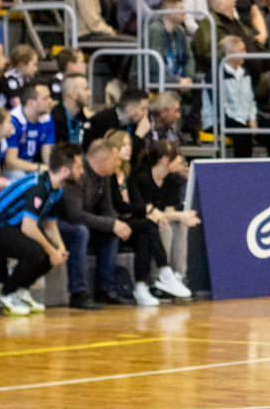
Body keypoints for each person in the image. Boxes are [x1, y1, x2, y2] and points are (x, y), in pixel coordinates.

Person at [103, 131, 193, 305]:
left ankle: (144, 285)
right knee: (151, 225)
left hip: (131, 220)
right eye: (124, 145)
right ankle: (162, 275)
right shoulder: (111, 175)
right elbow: (119, 205)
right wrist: (149, 209)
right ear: (113, 149)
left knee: (147, 230)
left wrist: (148, 210)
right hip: (113, 220)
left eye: (130, 144)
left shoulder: (127, 174)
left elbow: (137, 203)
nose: (129, 148)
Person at [0, 142, 83, 315]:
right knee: (37, 250)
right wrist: (51, 250)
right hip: (3, 226)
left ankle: (21, 291)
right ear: (65, 171)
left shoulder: (57, 190)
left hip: (10, 229)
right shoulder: (39, 186)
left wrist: (60, 248)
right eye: (78, 167)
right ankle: (7, 294)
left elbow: (49, 224)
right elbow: (28, 227)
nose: (82, 171)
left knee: (50, 254)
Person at [57, 138, 132, 309]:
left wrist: (115, 224)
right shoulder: (77, 172)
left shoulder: (104, 175)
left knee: (112, 229)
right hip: (61, 223)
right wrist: (111, 224)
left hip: (84, 222)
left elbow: (107, 208)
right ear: (103, 159)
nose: (118, 164)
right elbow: (75, 215)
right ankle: (77, 293)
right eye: (115, 160)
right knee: (81, 231)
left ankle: (105, 289)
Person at [129, 139, 199, 281]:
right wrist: (180, 215)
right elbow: (150, 213)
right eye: (176, 156)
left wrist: (181, 217)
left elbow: (169, 212)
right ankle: (158, 279)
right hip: (143, 223)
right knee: (165, 227)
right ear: (164, 160)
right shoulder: (142, 179)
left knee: (180, 225)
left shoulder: (171, 180)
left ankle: (179, 276)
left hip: (161, 220)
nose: (180, 160)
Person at [4, 85, 55, 178]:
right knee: (19, 176)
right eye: (45, 98)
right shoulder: (14, 120)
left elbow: (47, 156)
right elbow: (10, 162)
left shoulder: (47, 119)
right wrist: (39, 167)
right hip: (12, 169)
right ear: (31, 103)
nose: (51, 101)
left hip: (32, 166)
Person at [146, 0, 195, 87]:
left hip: (176, 78)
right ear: (169, 13)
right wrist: (177, 81)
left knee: (205, 79)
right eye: (181, 9)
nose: (184, 12)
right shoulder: (155, 30)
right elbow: (155, 64)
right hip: (154, 77)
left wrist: (187, 78)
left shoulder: (180, 31)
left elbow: (189, 57)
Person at [86, 87, 148, 159]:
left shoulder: (134, 124)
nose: (146, 113)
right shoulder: (102, 121)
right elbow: (116, 156)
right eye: (143, 109)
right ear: (130, 109)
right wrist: (139, 135)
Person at [51, 76, 93, 147]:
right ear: (73, 94)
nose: (90, 93)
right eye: (85, 89)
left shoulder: (82, 118)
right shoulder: (55, 120)